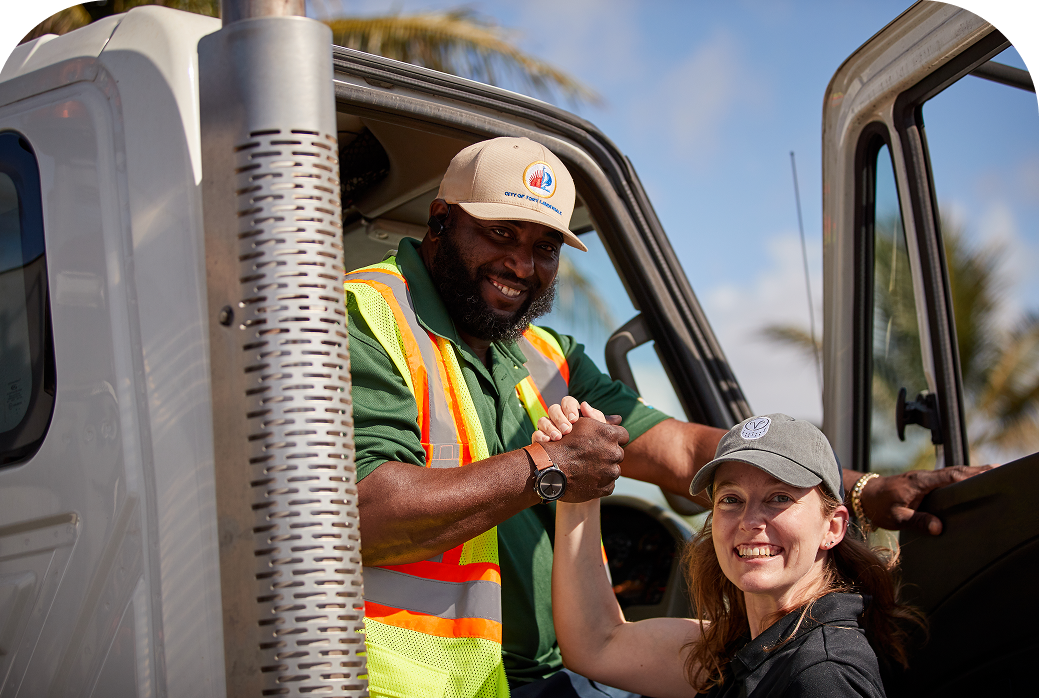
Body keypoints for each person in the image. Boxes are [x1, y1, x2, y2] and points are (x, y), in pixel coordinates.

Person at [345, 136, 983, 698]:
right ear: (441, 220)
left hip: (538, 675)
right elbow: (359, 512)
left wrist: (865, 490)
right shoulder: (363, 316)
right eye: (501, 233)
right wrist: (549, 470)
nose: (522, 265)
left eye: (545, 246)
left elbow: (684, 450)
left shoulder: (543, 355)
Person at [543, 402, 922, 698]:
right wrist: (578, 484)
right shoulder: (752, 646)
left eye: (779, 497)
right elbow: (597, 644)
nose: (749, 521)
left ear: (833, 527)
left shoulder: (821, 674)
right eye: (731, 499)